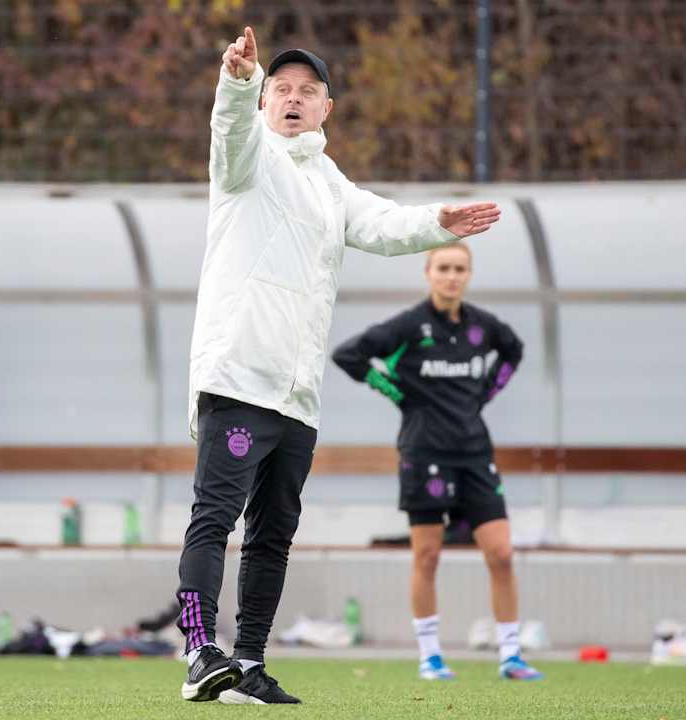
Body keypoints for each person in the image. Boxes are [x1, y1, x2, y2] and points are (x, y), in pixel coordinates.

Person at [175, 26, 503, 704]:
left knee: (272, 538)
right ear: (266, 101)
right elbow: (228, 135)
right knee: (214, 518)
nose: (293, 100)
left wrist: (442, 221)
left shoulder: (328, 183)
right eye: (282, 90)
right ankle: (197, 650)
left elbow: (382, 225)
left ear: (328, 109)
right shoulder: (247, 156)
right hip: (238, 379)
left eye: (308, 92)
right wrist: (235, 82)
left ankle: (249, 665)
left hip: (297, 398)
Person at [332, 242, 543, 682]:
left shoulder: (483, 328)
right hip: (423, 454)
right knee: (427, 556)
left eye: (460, 269)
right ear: (428, 273)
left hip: (475, 454)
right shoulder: (408, 326)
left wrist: (484, 394)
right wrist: (397, 393)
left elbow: (514, 351)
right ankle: (430, 656)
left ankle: (511, 656)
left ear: (469, 275)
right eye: (444, 268)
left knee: (501, 554)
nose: (452, 276)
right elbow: (348, 355)